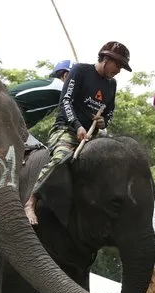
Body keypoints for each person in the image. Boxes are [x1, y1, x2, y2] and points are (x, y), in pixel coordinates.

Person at [23, 41, 131, 225]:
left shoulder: (112, 85)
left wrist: (103, 122)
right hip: (66, 129)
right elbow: (65, 102)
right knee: (62, 157)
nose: (119, 70)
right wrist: (77, 125)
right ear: (106, 59)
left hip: (91, 137)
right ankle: (30, 199)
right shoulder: (80, 71)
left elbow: (109, 113)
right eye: (118, 65)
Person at [8, 60, 75, 148]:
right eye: (77, 80)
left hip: (11, 121)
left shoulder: (54, 95)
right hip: (3, 115)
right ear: (66, 76)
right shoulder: (58, 85)